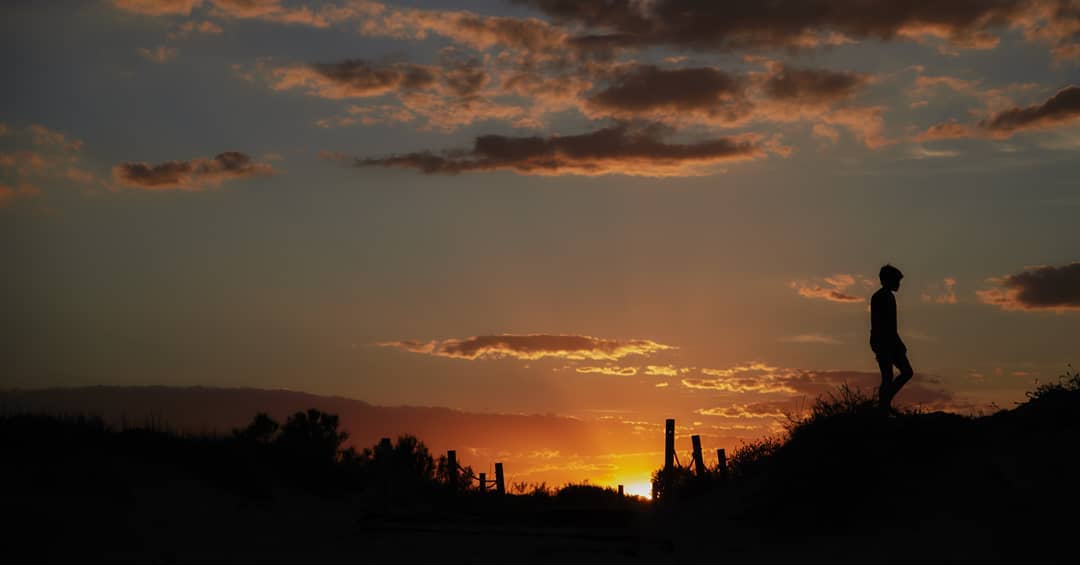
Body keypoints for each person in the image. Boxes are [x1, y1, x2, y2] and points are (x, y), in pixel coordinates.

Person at [870, 264, 914, 411]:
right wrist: (884, 344)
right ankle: (884, 405)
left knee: (905, 372)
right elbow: (881, 324)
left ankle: (884, 402)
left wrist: (898, 342)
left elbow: (892, 325)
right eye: (896, 281)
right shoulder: (879, 297)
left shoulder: (890, 297)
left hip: (891, 341)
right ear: (887, 280)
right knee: (888, 376)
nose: (898, 284)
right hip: (883, 342)